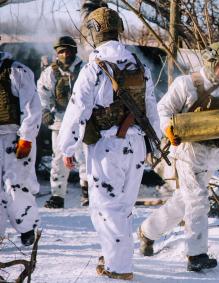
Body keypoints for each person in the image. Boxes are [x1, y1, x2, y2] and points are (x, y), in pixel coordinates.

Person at [58, 6, 160, 280]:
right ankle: (113, 256)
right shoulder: (140, 65)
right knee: (124, 207)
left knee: (106, 208)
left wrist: (66, 147)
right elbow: (152, 109)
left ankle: (119, 268)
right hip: (136, 145)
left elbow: (77, 109)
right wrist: (156, 144)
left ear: (94, 33)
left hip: (108, 146)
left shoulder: (94, 68)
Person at [137, 42, 219, 272]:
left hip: (213, 153)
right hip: (188, 151)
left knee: (183, 200)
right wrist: (170, 130)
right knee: (197, 199)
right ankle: (196, 255)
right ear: (209, 62)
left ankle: (147, 231)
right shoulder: (187, 83)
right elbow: (163, 110)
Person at [37, 36, 89, 208]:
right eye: (61, 51)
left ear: (74, 51)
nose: (65, 54)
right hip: (60, 122)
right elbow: (43, 93)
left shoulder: (85, 69)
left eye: (68, 50)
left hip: (83, 121)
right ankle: (57, 196)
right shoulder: (50, 73)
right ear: (56, 53)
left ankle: (87, 192)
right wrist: (45, 111)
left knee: (85, 157)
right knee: (59, 159)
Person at [0, 51, 42, 246]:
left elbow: (32, 107)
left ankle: (27, 228)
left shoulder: (17, 71)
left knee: (17, 185)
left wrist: (26, 137)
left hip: (13, 137)